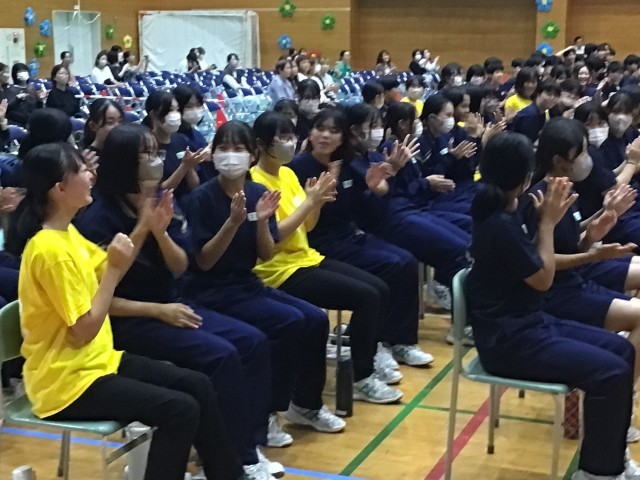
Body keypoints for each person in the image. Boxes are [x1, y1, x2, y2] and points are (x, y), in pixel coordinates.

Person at [5, 142, 246, 480]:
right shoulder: (49, 251)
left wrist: (146, 228)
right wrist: (115, 270)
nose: (91, 175)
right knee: (180, 410)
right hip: (65, 383)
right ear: (59, 188)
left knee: (198, 385)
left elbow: (107, 270)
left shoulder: (66, 234)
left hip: (97, 362)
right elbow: (84, 329)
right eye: (82, 170)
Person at [74, 124, 278, 479]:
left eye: (157, 152)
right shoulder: (98, 218)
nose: (157, 160)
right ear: (125, 161)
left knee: (253, 342)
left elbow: (181, 265)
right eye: (147, 154)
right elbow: (100, 296)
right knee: (221, 356)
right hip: (129, 319)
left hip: (171, 304)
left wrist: (159, 230)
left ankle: (245, 443)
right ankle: (234, 458)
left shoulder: (159, 200)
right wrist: (143, 230)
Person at [467, 131, 638, 480]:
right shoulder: (500, 224)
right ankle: (597, 472)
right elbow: (543, 278)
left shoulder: (506, 213)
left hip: (530, 322)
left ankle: (609, 457)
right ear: (524, 178)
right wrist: (547, 223)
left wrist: (582, 237)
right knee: (611, 372)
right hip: (508, 340)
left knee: (621, 352)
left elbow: (540, 261)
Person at [183, 119, 346, 447]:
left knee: (315, 319)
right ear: (213, 154)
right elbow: (205, 261)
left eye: (238, 148)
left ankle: (305, 405)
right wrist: (232, 223)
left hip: (248, 283)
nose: (230, 155)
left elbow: (266, 252)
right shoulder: (201, 198)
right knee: (288, 322)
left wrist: (259, 223)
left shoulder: (258, 193)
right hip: (211, 291)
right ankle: (268, 413)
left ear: (252, 155)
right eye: (223, 148)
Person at [250, 111, 404, 404]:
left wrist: (316, 202)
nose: (288, 143)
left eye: (290, 136)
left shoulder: (287, 174)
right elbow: (275, 235)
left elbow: (307, 226)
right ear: (261, 143)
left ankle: (368, 359)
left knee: (379, 288)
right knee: (366, 297)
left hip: (307, 257)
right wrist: (309, 202)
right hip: (279, 269)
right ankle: (362, 377)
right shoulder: (256, 182)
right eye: (281, 137)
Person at [289, 106, 433, 372]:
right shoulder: (297, 168)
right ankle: (373, 344)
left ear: (343, 138)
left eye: (333, 131)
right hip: (319, 243)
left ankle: (401, 340)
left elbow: (363, 206)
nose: (325, 136)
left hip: (349, 235)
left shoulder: (347, 164)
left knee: (406, 261)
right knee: (389, 267)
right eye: (320, 129)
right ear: (310, 133)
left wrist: (377, 187)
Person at [142, 90, 208, 197]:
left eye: (177, 110)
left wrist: (189, 167)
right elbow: (159, 191)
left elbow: (194, 185)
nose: (175, 115)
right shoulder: (146, 145)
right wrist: (184, 166)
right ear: (153, 115)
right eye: (169, 110)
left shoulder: (181, 139)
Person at [2, 63, 44, 127]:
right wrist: (17, 99)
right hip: (16, 123)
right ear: (15, 74)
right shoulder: (10, 89)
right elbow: (7, 108)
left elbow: (38, 106)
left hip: (31, 121)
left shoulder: (31, 88)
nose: (23, 73)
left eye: (25, 71)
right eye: (20, 71)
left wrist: (40, 99)